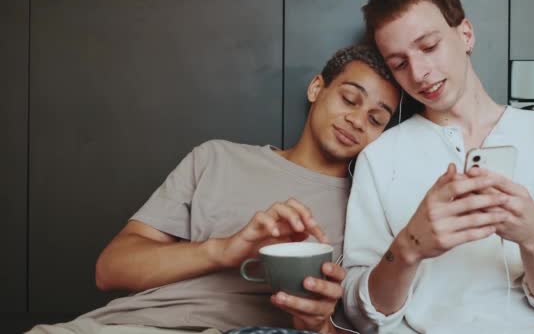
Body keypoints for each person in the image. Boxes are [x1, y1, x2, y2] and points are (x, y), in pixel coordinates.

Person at [28, 44, 401, 334]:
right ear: (317, 87)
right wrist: (224, 250)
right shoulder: (216, 158)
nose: (356, 119)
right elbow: (110, 270)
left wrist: (319, 325)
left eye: (375, 119)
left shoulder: (367, 207)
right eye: (349, 99)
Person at [341, 0, 534, 333]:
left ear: (465, 34)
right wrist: (409, 246)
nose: (420, 73)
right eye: (399, 64)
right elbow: (362, 314)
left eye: (429, 46)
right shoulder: (379, 157)